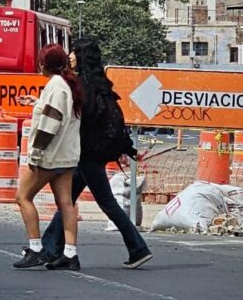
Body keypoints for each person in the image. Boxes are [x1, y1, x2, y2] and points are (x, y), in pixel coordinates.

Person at [42, 36, 153, 269]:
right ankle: (51, 248)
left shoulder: (82, 85)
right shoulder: (100, 83)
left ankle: (138, 247)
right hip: (92, 152)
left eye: (74, 52)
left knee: (106, 202)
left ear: (81, 56)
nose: (70, 56)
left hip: (86, 153)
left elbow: (81, 119)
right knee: (68, 199)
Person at [13, 44, 84, 271]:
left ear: (44, 64)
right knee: (66, 203)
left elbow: (50, 124)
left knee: (23, 196)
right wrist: (36, 103)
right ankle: (70, 254)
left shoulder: (55, 86)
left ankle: (36, 248)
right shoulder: (68, 85)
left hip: (50, 156)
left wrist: (35, 154)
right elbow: (60, 113)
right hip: (67, 156)